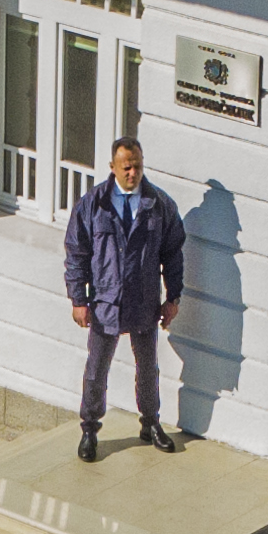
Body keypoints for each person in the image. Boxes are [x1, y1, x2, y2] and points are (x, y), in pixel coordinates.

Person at [63, 134, 187, 463]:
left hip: (145, 301)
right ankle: (89, 429)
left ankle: (151, 423)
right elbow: (77, 253)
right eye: (127, 167)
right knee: (96, 371)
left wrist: (173, 297)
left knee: (148, 369)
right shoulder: (93, 204)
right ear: (113, 168)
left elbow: (173, 254)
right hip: (105, 302)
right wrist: (78, 298)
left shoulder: (159, 205)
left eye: (138, 167)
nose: (133, 173)